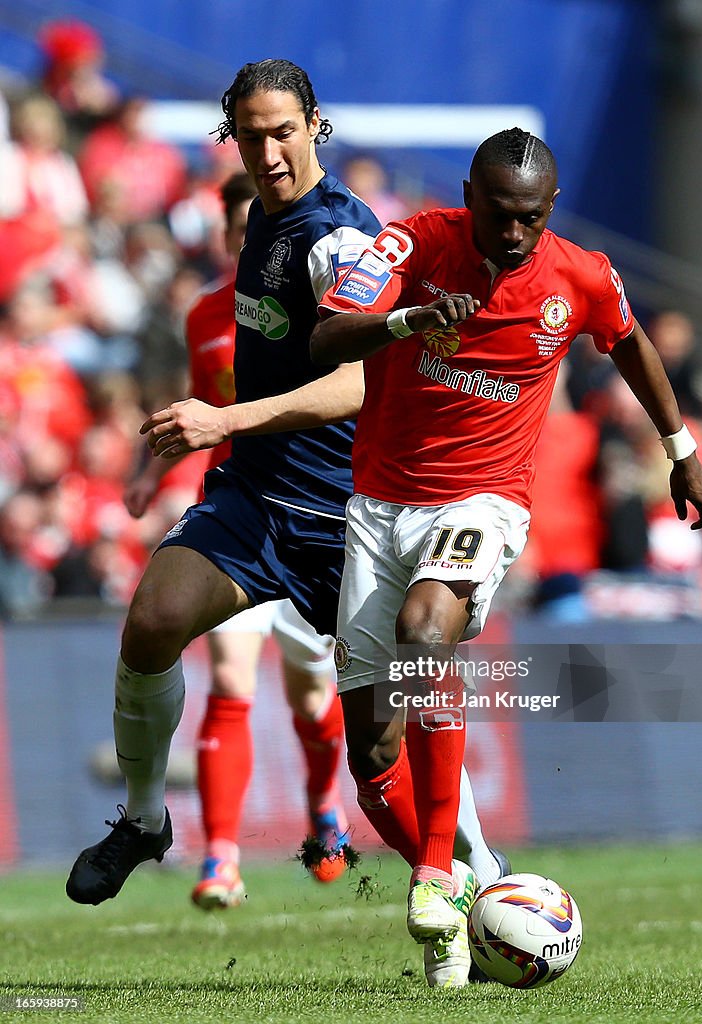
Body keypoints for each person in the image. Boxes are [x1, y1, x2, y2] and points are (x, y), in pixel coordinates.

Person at [66, 62, 507, 982]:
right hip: (256, 496)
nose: (268, 152)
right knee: (151, 621)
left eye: (284, 133)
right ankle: (148, 821)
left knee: (379, 753)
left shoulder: (340, 236)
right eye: (250, 135)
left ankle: (484, 886)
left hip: (349, 518)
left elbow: (356, 381)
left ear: (317, 125)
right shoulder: (263, 220)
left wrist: (220, 418)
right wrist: (217, 440)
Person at [309, 127, 702, 986]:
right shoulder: (414, 241)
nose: (512, 234)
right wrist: (407, 319)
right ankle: (466, 897)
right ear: (469, 194)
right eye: (497, 214)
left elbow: (632, 343)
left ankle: (429, 872)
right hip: (379, 509)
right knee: (373, 760)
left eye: (529, 219)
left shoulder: (578, 274)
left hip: (483, 502)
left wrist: (680, 447)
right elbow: (324, 340)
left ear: (551, 210)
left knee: (430, 632)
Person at [123, 170, 349, 903]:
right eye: (231, 224)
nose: (240, 235)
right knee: (228, 677)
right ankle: (221, 857)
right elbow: (192, 404)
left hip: (315, 515)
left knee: (315, 698)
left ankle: (324, 810)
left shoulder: (323, 289)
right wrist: (148, 474)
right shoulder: (206, 316)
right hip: (238, 516)